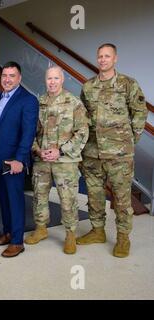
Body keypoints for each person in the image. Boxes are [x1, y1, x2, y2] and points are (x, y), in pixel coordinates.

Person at [77, 43, 148, 258]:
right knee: (95, 194)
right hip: (92, 153)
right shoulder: (88, 87)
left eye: (107, 56)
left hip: (119, 155)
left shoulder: (128, 84)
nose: (103, 60)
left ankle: (123, 238)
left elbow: (139, 113)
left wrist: (129, 140)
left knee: (122, 198)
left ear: (115, 59)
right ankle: (98, 231)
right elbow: (83, 118)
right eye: (100, 56)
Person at [25, 66, 89, 254]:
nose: (52, 82)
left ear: (62, 80)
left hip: (65, 161)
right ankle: (41, 228)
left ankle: (70, 234)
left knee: (67, 198)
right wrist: (37, 150)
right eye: (49, 79)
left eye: (55, 78)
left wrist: (60, 151)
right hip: (42, 159)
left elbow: (82, 132)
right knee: (39, 195)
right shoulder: (40, 102)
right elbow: (32, 132)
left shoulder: (73, 102)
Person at [0, 61, 39, 258]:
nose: (7, 79)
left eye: (11, 76)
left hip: (14, 161)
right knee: (3, 199)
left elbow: (28, 133)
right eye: (4, 76)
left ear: (19, 78)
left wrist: (20, 159)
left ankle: (17, 241)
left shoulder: (28, 100)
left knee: (15, 200)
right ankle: (8, 233)